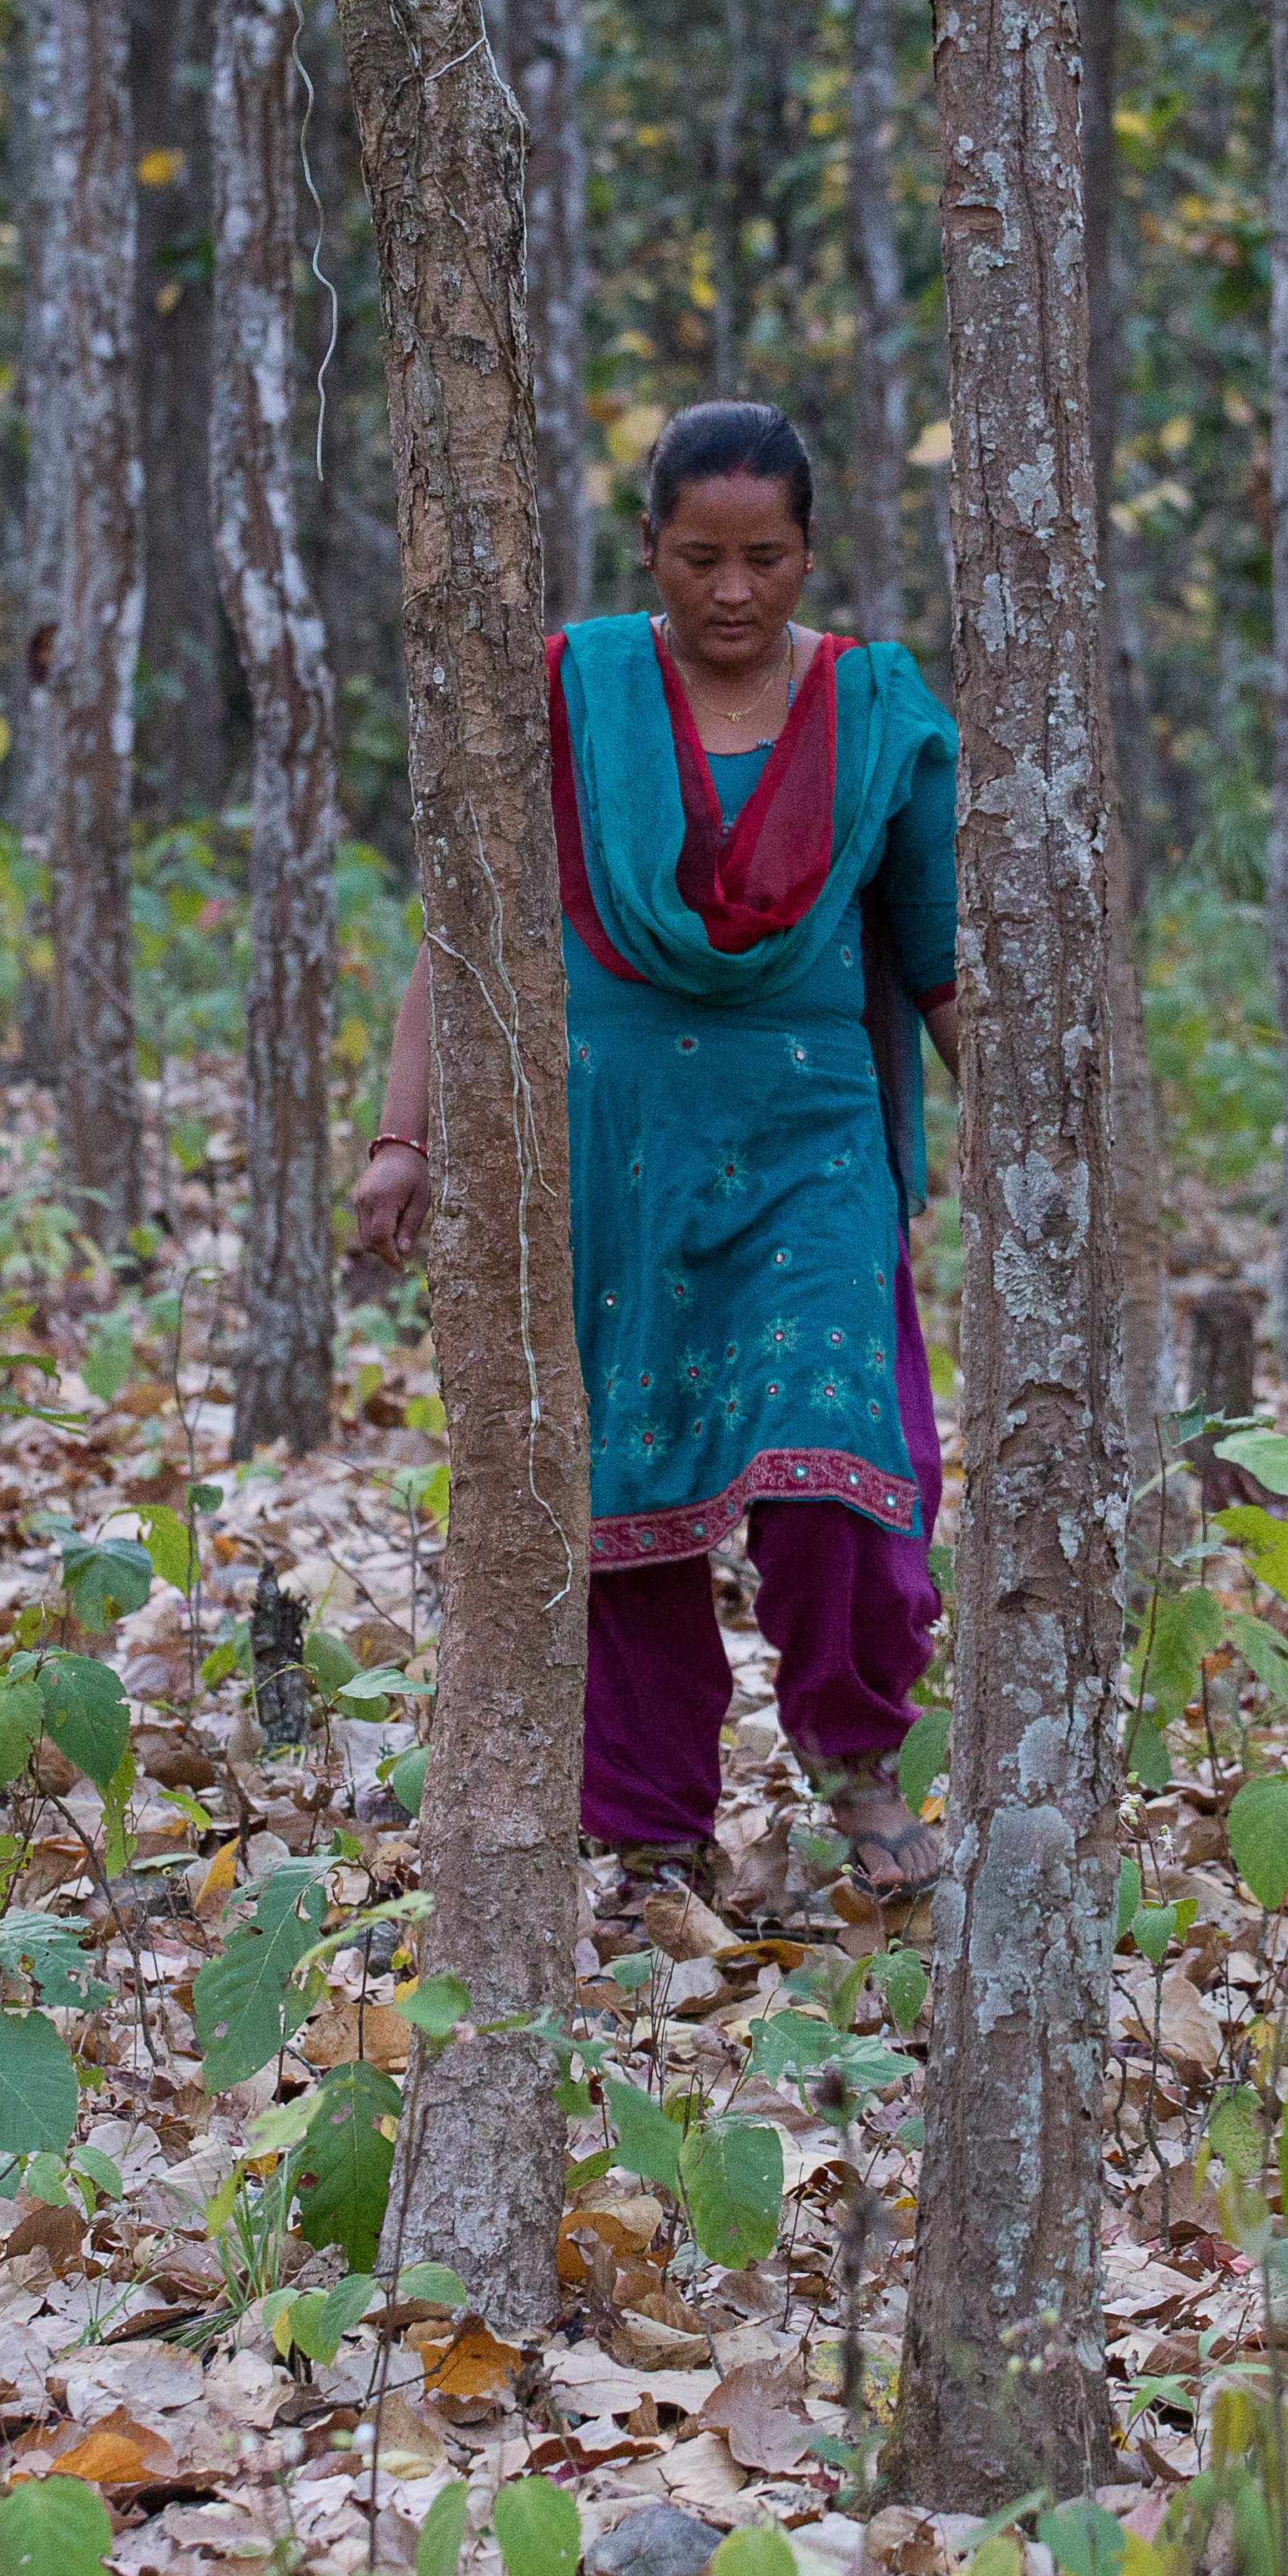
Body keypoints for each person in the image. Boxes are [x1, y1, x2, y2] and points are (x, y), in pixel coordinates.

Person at [354, 402, 962, 1902]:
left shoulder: (882, 709)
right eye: (701, 558)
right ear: (649, 552)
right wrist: (401, 1133)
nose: (735, 592)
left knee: (843, 1477)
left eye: (767, 558)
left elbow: (942, 962)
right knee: (624, 1495)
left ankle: (856, 1760)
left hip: (815, 1148)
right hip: (609, 1151)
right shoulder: (576, 691)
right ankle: (647, 1831)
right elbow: (469, 923)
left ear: (812, 553)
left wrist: (1032, 1167)